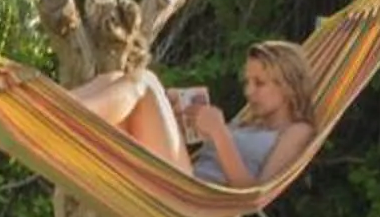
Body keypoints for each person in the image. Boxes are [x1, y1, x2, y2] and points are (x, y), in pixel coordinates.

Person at [66, 39, 320, 185]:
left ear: (288, 85)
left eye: (260, 83)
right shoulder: (247, 122)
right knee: (116, 79)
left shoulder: (297, 131)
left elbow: (253, 195)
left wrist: (219, 133)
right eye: (247, 82)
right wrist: (176, 121)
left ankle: (63, 113)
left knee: (145, 82)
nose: (249, 92)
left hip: (188, 192)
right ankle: (55, 109)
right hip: (178, 177)